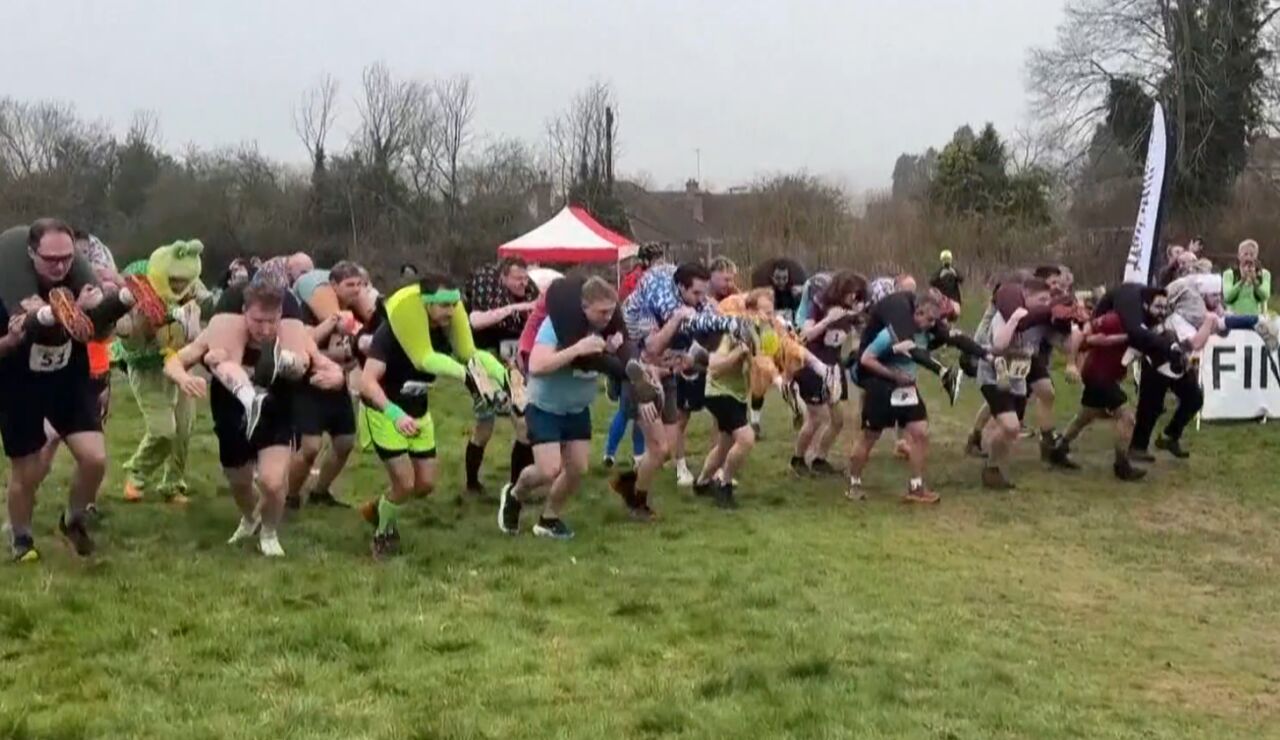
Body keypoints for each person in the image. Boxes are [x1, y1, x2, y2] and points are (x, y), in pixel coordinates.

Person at [0, 219, 153, 562]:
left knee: (95, 459)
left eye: (67, 258)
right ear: (30, 254)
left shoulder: (80, 280)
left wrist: (114, 303)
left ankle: (73, 519)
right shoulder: (8, 285)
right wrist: (10, 340)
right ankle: (22, 536)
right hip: (19, 385)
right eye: (50, 259)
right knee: (27, 471)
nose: (60, 266)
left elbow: (99, 335)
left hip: (69, 380)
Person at [166, 278, 342, 557]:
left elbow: (328, 366)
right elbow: (175, 361)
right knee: (240, 481)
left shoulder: (292, 335)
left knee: (272, 482)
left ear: (281, 316)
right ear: (244, 312)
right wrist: (183, 378)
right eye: (258, 320)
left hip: (276, 407)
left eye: (272, 321)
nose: (265, 328)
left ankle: (270, 532)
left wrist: (333, 377)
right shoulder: (222, 332)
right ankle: (250, 519)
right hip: (231, 409)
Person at [356, 273, 506, 559]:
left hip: (419, 412)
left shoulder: (446, 331)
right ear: (425, 304)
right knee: (405, 483)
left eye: (453, 305)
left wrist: (502, 376)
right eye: (442, 305)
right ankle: (383, 534)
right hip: (385, 411)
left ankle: (379, 509)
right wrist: (393, 413)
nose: (449, 311)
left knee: (425, 485)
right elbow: (366, 382)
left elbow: (471, 355)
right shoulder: (391, 332)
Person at [611, 262, 753, 520]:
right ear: (680, 288)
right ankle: (637, 502)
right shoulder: (651, 305)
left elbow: (702, 343)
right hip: (640, 373)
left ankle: (628, 485)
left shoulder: (703, 306)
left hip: (666, 376)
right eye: (695, 294)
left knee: (663, 450)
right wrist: (677, 317)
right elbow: (652, 348)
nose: (701, 299)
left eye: (703, 292)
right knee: (657, 447)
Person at [498, 277, 622, 539]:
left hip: (577, 407)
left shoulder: (609, 329)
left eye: (611, 311)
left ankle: (549, 519)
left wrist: (610, 353)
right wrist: (578, 349)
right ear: (584, 307)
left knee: (577, 469)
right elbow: (537, 366)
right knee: (548, 470)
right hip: (545, 406)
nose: (607, 317)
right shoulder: (557, 325)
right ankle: (515, 494)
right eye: (602, 312)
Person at [114, 240, 209, 504]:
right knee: (162, 430)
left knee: (183, 431)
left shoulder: (194, 288)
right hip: (148, 368)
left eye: (185, 280)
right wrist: (152, 319)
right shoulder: (137, 287)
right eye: (174, 280)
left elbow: (207, 315)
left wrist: (193, 327)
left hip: (182, 364)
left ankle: (173, 483)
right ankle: (137, 474)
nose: (179, 286)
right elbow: (129, 339)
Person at [1050, 288, 1173, 480]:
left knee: (1087, 414)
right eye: (1158, 306)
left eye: (1165, 307)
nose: (1162, 311)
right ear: (1145, 305)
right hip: (1098, 374)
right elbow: (1079, 335)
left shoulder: (1146, 328)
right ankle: (1121, 464)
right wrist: (1072, 363)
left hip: (1108, 375)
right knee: (1127, 416)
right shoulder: (1115, 320)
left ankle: (1059, 448)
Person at [284, 260, 373, 509]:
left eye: (359, 285)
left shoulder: (358, 313)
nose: (356, 290)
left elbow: (359, 350)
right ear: (333, 285)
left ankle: (320, 492)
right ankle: (290, 495)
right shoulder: (310, 308)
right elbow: (305, 341)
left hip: (338, 385)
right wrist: (333, 322)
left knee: (345, 442)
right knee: (310, 448)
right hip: (309, 383)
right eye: (349, 285)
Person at [846, 292, 944, 504]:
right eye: (929, 319)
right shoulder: (891, 333)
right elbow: (866, 359)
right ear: (918, 312)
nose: (931, 325)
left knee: (921, 433)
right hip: (882, 386)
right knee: (870, 436)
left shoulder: (924, 334)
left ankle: (916, 487)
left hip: (907, 389)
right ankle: (854, 483)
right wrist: (893, 376)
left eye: (935, 320)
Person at [464, 256, 539, 498]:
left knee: (522, 422)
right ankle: (472, 484)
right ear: (503, 277)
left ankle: (516, 488)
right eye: (517, 278)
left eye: (525, 278)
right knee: (485, 423)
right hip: (480, 364)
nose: (523, 283)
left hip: (512, 365)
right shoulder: (487, 291)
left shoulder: (531, 293)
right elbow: (475, 322)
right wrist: (513, 308)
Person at [975, 278, 1054, 489]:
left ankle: (991, 464)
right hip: (994, 376)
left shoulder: (1041, 322)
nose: (1046, 303)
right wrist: (1013, 321)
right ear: (1026, 297)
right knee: (1010, 426)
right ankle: (990, 467)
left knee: (1011, 429)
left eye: (1049, 299)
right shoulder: (1004, 315)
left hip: (1017, 379)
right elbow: (999, 345)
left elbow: (1061, 343)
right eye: (1042, 299)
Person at [670, 256, 739, 486]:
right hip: (684, 366)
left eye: (731, 278)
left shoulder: (728, 299)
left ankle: (716, 466)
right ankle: (680, 466)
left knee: (719, 418)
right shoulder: (677, 302)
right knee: (681, 416)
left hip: (710, 363)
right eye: (724, 278)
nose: (728, 283)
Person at [791, 270, 866, 477]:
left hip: (833, 366)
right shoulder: (819, 306)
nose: (854, 298)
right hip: (812, 365)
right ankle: (797, 459)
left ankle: (819, 458)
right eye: (852, 293)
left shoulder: (850, 312)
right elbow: (804, 337)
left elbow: (857, 335)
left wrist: (855, 350)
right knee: (816, 418)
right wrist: (826, 321)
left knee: (838, 419)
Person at [1222, 239, 1271, 316]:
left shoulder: (1264, 274)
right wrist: (1242, 281)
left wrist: (1255, 281)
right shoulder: (1229, 274)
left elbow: (1265, 296)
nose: (1248, 257)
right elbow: (1227, 297)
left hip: (1258, 318)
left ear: (1256, 257)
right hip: (1235, 317)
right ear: (1239, 256)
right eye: (1245, 254)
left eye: (1252, 255)